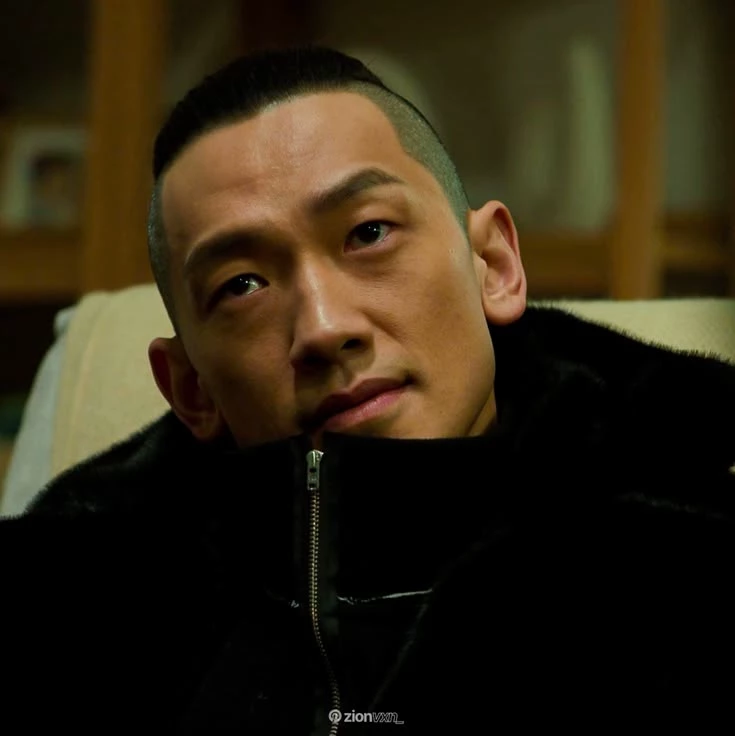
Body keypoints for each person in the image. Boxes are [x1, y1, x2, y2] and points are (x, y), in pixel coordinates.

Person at [1, 46, 735, 733]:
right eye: (243, 285)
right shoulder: (74, 614)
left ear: (494, 266)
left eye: (368, 233)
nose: (324, 328)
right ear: (191, 388)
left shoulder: (686, 537)